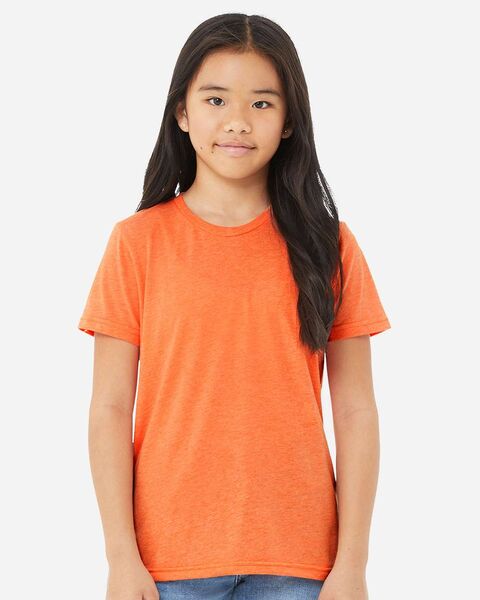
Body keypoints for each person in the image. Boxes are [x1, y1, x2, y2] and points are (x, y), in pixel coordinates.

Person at [78, 13, 391, 600]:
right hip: (167, 565)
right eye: (216, 99)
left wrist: (353, 563)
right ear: (182, 111)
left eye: (262, 103)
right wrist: (121, 558)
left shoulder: (330, 246)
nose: (238, 121)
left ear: (290, 120)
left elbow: (356, 412)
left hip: (302, 563)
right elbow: (110, 409)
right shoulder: (136, 243)